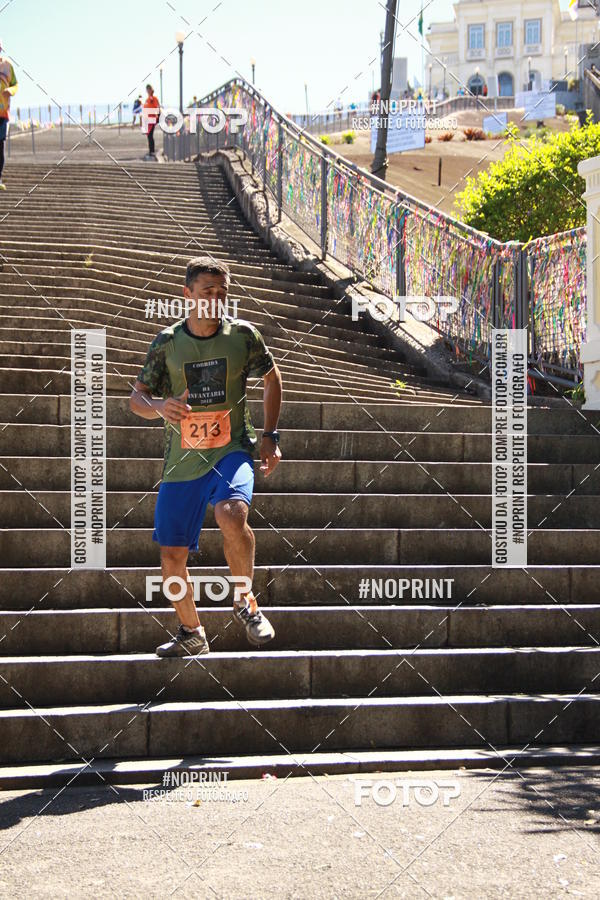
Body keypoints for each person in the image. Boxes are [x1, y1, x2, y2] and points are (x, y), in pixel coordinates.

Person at [129, 256, 282, 657]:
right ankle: (191, 632)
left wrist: (269, 435)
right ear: (187, 294)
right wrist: (161, 406)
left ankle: (246, 604)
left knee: (231, 513)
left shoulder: (243, 336)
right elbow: (136, 398)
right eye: (206, 292)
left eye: (221, 293)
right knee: (171, 556)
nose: (215, 300)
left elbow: (272, 376)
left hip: (232, 450)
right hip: (182, 461)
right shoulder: (166, 343)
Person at [0, 38, 18, 191]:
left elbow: (15, 84)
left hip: (3, 114)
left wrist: (10, 91)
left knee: (0, 147)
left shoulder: (7, 65)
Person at [142, 83, 160, 159]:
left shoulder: (153, 99)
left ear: (151, 90)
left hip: (152, 119)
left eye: (149, 89)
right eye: (147, 89)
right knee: (148, 136)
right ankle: (150, 151)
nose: (148, 91)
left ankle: (152, 151)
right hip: (147, 120)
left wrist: (158, 117)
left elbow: (157, 107)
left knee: (150, 135)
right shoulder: (147, 99)